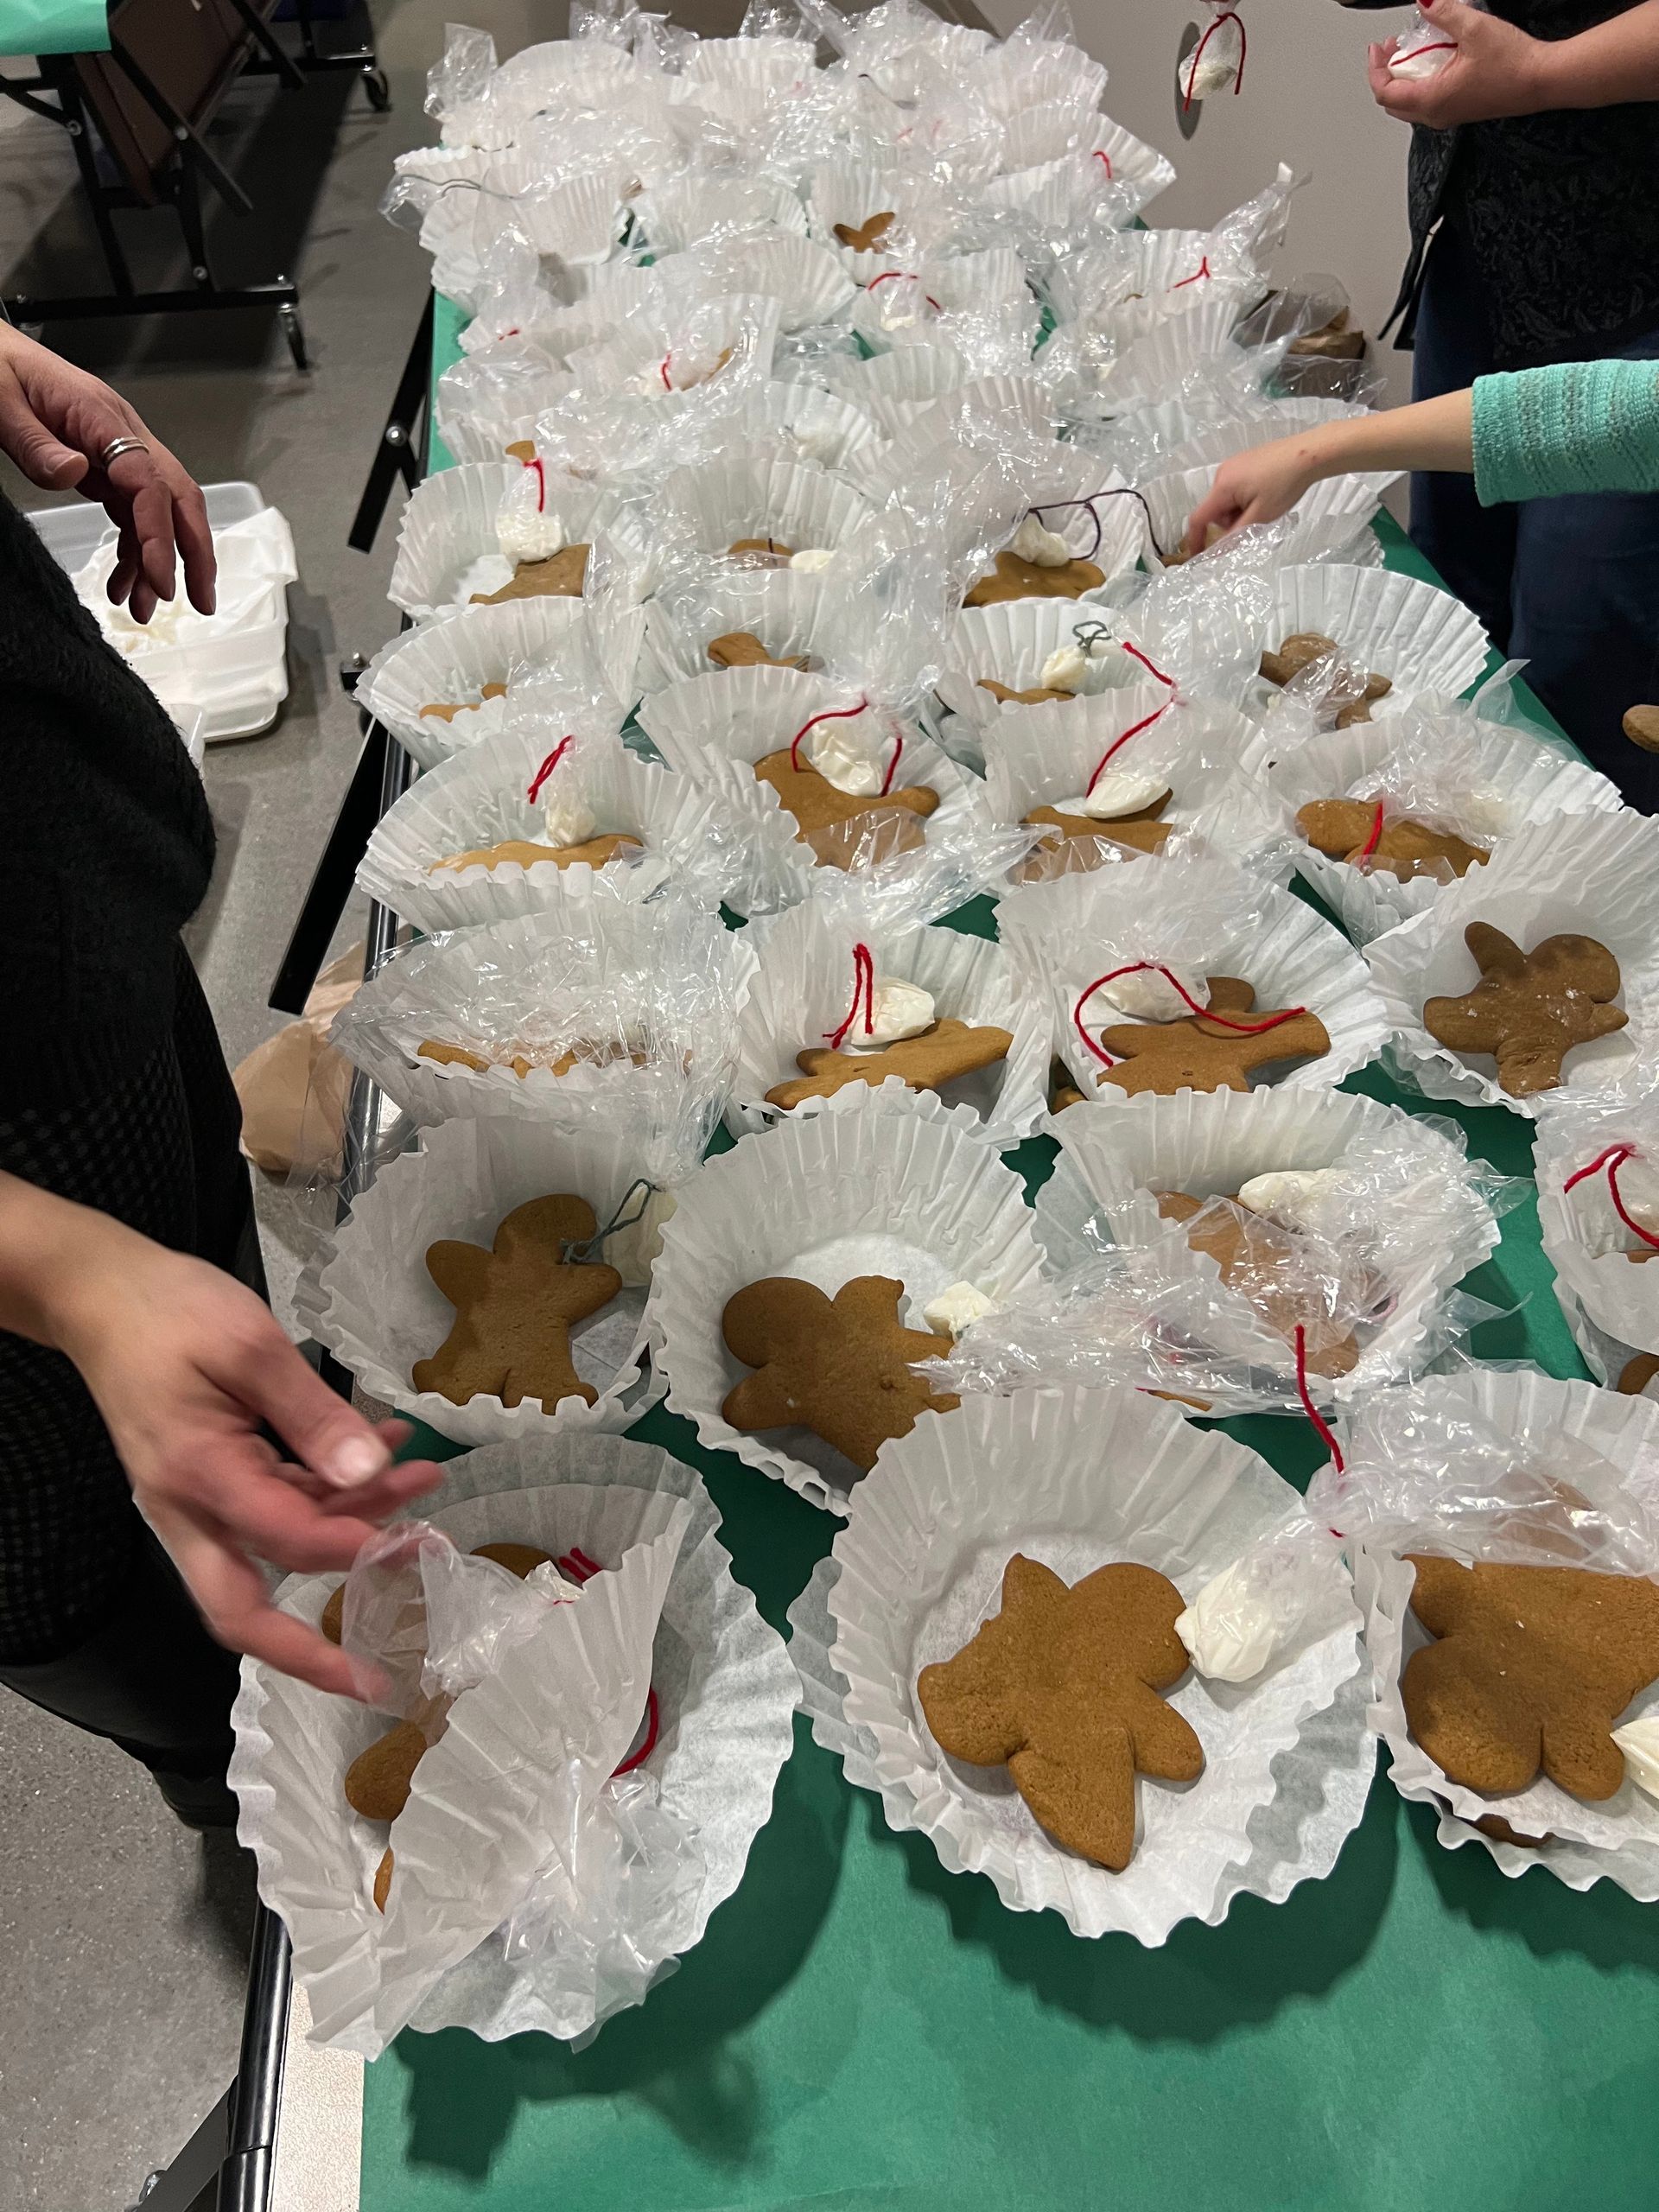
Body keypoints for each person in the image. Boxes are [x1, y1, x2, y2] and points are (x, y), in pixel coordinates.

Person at [0, 323, 437, 1828]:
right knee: (61, 1548)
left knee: (206, 1276)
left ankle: (273, 1477)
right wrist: (62, 1272)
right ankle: (229, 1781)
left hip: (67, 946)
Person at [1333, 0, 1659, 798]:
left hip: (1634, 272)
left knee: (1579, 673)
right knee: (1449, 614)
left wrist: (1540, 74)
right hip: (1487, 237)